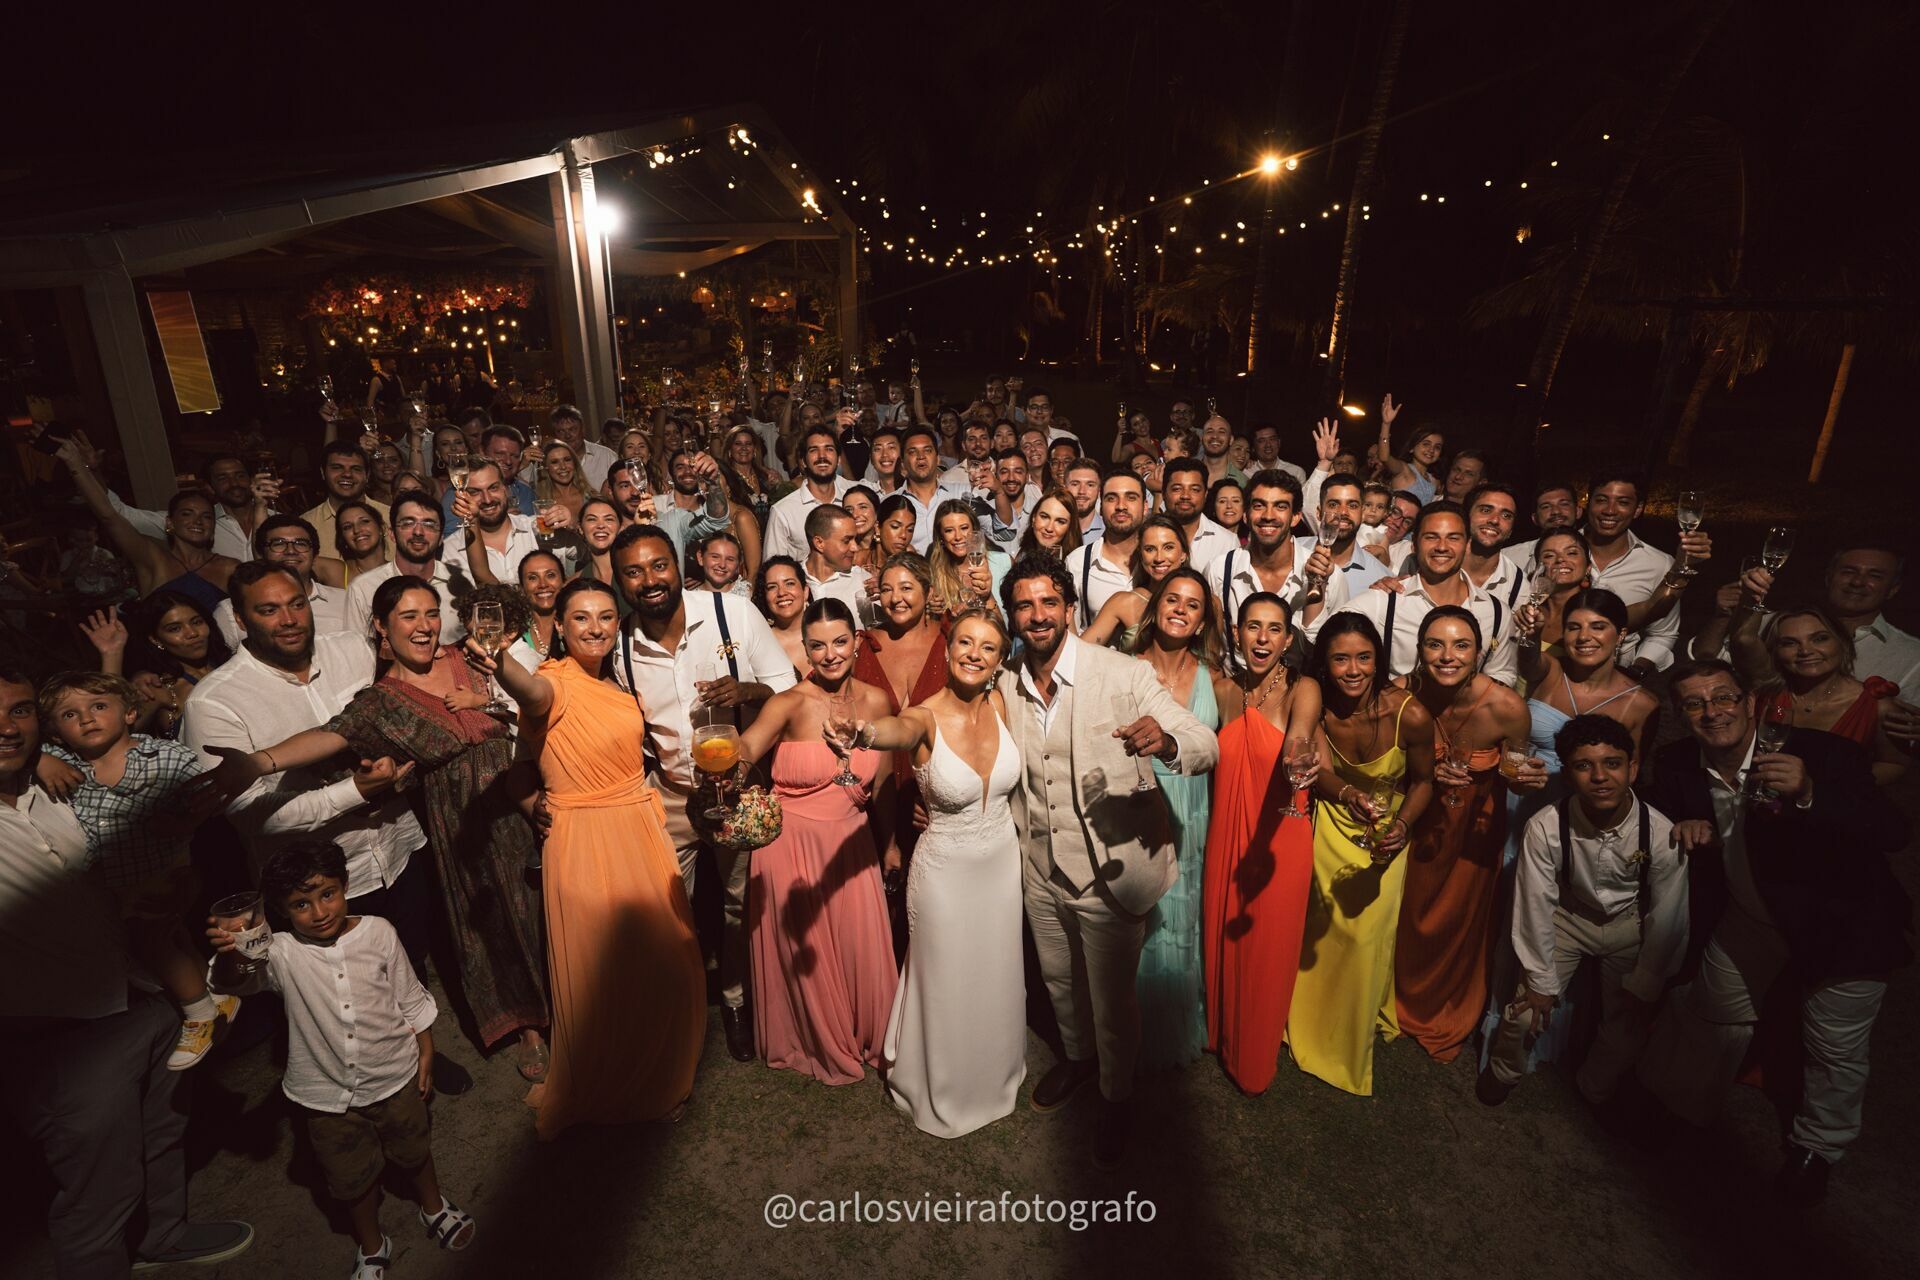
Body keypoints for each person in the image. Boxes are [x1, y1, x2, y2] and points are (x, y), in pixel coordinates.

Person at [202, 576, 552, 1077]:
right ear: (381, 627)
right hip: (466, 829)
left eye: (430, 613)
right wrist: (260, 762)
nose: (424, 626)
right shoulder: (379, 701)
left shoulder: (472, 657)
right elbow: (327, 736)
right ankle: (528, 1028)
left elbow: (531, 698)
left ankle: (569, 1003)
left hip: (524, 798)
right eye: (408, 616)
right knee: (495, 927)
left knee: (548, 906)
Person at [181, 563, 471, 1101]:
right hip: (320, 883)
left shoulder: (353, 651)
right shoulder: (214, 702)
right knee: (340, 996)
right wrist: (355, 793)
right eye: (268, 610)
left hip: (397, 847)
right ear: (240, 620)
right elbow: (251, 814)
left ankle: (419, 1048)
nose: (289, 619)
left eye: (296, 604)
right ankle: (360, 1093)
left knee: (407, 960)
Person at [1, 667, 255, 1277]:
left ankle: (162, 1236)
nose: (6, 729)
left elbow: (128, 872)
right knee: (98, 1194)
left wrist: (182, 887)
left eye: (17, 711)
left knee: (163, 1137)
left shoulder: (58, 789)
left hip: (144, 992)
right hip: (60, 1036)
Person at [1639, 660, 1910, 1204]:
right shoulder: (1674, 764)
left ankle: (1816, 1150)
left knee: (1833, 1048)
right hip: (1752, 916)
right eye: (1695, 704)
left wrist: (1810, 793)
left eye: (1723, 698)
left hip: (1843, 925)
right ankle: (1684, 1112)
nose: (1712, 712)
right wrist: (1684, 826)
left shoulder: (1822, 753)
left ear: (1750, 702)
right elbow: (1667, 816)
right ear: (1681, 715)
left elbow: (1893, 831)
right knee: (1709, 1010)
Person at [1000, 556, 1219, 1167]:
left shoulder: (1122, 674)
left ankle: (1116, 1099)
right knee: (1060, 982)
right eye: (1024, 605)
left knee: (1114, 1001)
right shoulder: (1007, 679)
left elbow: (1204, 742)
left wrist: (1168, 739)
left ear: (1070, 607)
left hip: (1110, 870)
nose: (1038, 616)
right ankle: (1076, 1060)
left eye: (1049, 603)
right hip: (1041, 865)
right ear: (1012, 616)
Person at [476, 579, 706, 1136]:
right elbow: (529, 699)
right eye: (580, 618)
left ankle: (660, 1074)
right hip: (581, 836)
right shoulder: (551, 683)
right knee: (601, 967)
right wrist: (498, 662)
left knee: (663, 959)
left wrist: (530, 798)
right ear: (558, 624)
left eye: (606, 616)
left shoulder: (617, 683)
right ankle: (611, 1082)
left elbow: (522, 771)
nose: (595, 628)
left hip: (637, 827)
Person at [208, 842, 471, 1277]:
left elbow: (409, 996)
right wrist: (231, 952)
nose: (319, 911)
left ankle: (434, 1206)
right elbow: (235, 982)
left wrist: (426, 1050)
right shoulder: (281, 952)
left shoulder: (379, 931)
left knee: (415, 1149)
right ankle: (371, 1244)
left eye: (327, 894)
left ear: (345, 885)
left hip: (394, 1075)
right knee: (351, 1179)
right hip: (325, 1096)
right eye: (301, 904)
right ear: (279, 909)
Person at [829, 610, 1025, 1137]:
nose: (973, 654)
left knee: (996, 967)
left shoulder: (1004, 704)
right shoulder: (923, 716)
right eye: (964, 642)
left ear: (1000, 658)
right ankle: (941, 1082)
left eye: (987, 647)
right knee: (945, 974)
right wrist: (864, 732)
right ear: (948, 647)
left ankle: (994, 1071)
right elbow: (895, 729)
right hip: (944, 871)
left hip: (1002, 864)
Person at [607, 525, 797, 1061]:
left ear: (677, 564)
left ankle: (736, 1000)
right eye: (634, 571)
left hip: (736, 791)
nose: (649, 580)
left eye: (658, 565)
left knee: (740, 908)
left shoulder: (730, 613)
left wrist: (749, 690)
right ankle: (681, 1007)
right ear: (619, 580)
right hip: (668, 796)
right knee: (665, 910)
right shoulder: (620, 642)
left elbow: (789, 687)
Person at [731, 599, 899, 1083]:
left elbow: (883, 783)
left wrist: (888, 845)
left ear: (856, 641)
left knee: (854, 946)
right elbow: (745, 751)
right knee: (807, 959)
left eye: (840, 642)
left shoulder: (877, 702)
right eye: (818, 645)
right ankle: (809, 1038)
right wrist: (722, 758)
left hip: (851, 846)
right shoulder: (788, 703)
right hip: (790, 850)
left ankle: (861, 1031)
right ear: (803, 649)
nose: (830, 654)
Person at [1480, 715, 1687, 1107]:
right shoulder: (1546, 826)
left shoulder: (1660, 833)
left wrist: (1647, 980)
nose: (1600, 777)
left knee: (1627, 1021)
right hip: (1568, 917)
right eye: (1583, 766)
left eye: (1612, 763)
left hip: (1630, 924)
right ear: (1568, 774)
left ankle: (1596, 1087)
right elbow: (1535, 902)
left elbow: (1669, 913)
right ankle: (1503, 1072)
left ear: (1633, 768)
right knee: (1526, 1011)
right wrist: (1541, 981)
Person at [36, 671, 238, 1069]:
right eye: (69, 715)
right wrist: (41, 760)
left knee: (152, 938)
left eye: (98, 707)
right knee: (170, 939)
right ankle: (214, 999)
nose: (87, 718)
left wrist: (184, 822)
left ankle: (198, 1014)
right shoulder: (62, 762)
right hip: (115, 883)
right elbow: (23, 751)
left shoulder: (166, 756)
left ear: (130, 713)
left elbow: (208, 799)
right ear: (56, 735)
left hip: (168, 869)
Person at [1290, 614, 1434, 1095]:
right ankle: (1307, 1019)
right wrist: (1348, 794)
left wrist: (1403, 827)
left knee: (1367, 938)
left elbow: (1425, 782)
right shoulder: (1322, 706)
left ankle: (1347, 1038)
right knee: (1324, 930)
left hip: (1387, 829)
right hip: (1334, 823)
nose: (1353, 669)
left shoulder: (1410, 714)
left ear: (1379, 659)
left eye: (1364, 657)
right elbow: (1324, 773)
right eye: (1341, 658)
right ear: (1325, 664)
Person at [1392, 608, 1529, 1062]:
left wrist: (1523, 776)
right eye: (1435, 644)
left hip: (1474, 829)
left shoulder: (1507, 707)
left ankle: (1439, 1006)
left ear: (1480, 652)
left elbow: (1515, 767)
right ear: (1419, 650)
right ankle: (1392, 996)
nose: (1447, 656)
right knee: (1406, 911)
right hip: (1415, 817)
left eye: (1461, 645)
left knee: (1455, 920)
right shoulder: (1400, 696)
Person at [1201, 592, 1320, 1093]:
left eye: (1274, 629)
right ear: (1237, 633)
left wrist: (1298, 760)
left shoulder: (1303, 687)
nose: (1262, 638)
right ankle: (1222, 1032)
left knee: (1269, 942)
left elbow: (1299, 737)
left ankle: (1253, 1056)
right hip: (1227, 828)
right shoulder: (1224, 691)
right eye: (1253, 627)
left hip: (1280, 833)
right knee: (1224, 930)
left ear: (1288, 639)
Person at [1332, 502, 1519, 686]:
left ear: (1467, 544)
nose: (1442, 547)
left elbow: (1503, 675)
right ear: (1414, 544)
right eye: (1431, 537)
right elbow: (1324, 640)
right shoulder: (1384, 599)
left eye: (1453, 538)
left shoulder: (1496, 612)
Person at [1730, 605, 1905, 785]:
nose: (1805, 651)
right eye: (1789, 643)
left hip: (1834, 809)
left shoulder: (1877, 706)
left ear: (1842, 642)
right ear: (1775, 652)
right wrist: (1752, 597)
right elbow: (1743, 639)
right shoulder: (1768, 689)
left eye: (1820, 639)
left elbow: (1894, 764)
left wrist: (1832, 789)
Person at [55, 438, 240, 609]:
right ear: (170, 522)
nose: (198, 520)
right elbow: (109, 516)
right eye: (187, 514)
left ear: (213, 527)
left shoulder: (229, 567)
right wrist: (75, 464)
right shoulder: (152, 558)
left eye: (207, 516)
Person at [1578, 471, 1710, 676]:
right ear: (1588, 503)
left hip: (1616, 679)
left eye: (1623, 502)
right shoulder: (1555, 553)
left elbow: (1662, 634)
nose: (1610, 510)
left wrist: (1635, 672)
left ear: (1638, 509)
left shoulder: (1659, 564)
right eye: (1602, 500)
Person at [1204, 468, 1343, 642]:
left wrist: (1317, 584)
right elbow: (1211, 645)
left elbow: (1335, 647)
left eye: (1280, 506)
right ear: (1246, 516)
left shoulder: (1331, 577)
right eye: (1259, 506)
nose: (1268, 516)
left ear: (1295, 517)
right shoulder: (1219, 571)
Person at [346, 493, 473, 645]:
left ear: (440, 538)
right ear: (392, 534)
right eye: (407, 523)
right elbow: (355, 652)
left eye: (429, 524)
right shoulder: (364, 588)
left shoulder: (462, 583)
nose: (418, 532)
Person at [211, 516, 351, 645]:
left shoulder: (345, 601)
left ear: (314, 556)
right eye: (278, 543)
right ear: (260, 554)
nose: (290, 550)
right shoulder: (231, 611)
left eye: (300, 543)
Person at [1080, 514, 1188, 648]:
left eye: (1168, 547)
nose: (1159, 558)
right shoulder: (1123, 602)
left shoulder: (1207, 602)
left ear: (1184, 553)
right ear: (1141, 555)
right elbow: (1080, 652)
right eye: (1150, 549)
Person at [1063, 470, 1150, 631]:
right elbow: (1072, 636)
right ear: (1101, 508)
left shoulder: (1161, 561)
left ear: (1145, 507)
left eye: (1131, 498)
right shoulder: (1078, 562)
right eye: (1111, 498)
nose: (1121, 506)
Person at [765, 422, 856, 561]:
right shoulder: (783, 511)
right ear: (803, 462)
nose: (822, 456)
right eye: (813, 450)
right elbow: (772, 568)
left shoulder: (854, 501)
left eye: (829, 449)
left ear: (838, 459)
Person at [302, 443, 392, 557]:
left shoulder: (390, 517)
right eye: (337, 468)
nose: (347, 474)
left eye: (356, 469)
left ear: (367, 475)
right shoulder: (306, 525)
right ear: (322, 472)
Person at [926, 500, 1008, 620]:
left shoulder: (1003, 563)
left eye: (964, 528)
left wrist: (987, 597)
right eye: (949, 530)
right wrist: (932, 612)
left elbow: (1011, 628)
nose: (958, 537)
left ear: (975, 531)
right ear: (941, 537)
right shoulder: (933, 575)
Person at [438, 426, 534, 526]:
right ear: (482, 452)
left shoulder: (526, 492)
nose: (508, 461)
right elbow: (451, 539)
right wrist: (496, 523)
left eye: (515, 456)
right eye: (500, 454)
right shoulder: (457, 498)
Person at [1157, 458, 1237, 573]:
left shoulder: (1227, 542)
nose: (1185, 496)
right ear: (1164, 493)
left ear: (1205, 495)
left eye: (1194, 489)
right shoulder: (1145, 536)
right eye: (1177, 489)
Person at [899, 424, 966, 555]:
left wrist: (998, 492)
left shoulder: (962, 494)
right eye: (912, 452)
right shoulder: (891, 503)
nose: (921, 456)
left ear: (938, 459)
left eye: (927, 450)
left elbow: (1003, 530)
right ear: (902, 463)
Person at [801, 503, 871, 623]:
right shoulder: (793, 580)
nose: (855, 548)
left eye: (855, 539)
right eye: (846, 540)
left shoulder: (864, 582)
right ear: (819, 543)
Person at [1374, 395, 1441, 506]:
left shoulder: (1433, 481)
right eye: (1426, 444)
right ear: (1411, 448)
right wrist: (1386, 424)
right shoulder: (1403, 470)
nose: (1431, 450)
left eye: (1437, 447)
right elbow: (1384, 457)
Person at [313, 499, 391, 590]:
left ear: (382, 528)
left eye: (364, 521)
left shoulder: (399, 570)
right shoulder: (337, 572)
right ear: (343, 538)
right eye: (347, 527)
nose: (357, 530)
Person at [756, 556, 811, 677]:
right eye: (772, 587)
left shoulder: (827, 634)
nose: (781, 593)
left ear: (805, 591)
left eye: (789, 583)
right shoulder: (759, 643)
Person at [536, 441, 593, 528]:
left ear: (575, 463)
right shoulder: (542, 503)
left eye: (567, 460)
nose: (563, 467)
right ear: (546, 467)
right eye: (555, 462)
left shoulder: (591, 496)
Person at [1015, 490, 1083, 561]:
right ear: (1034, 518)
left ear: (1070, 527)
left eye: (1060, 522)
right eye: (1044, 517)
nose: (1049, 528)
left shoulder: (1077, 565)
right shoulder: (1020, 559)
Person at [1063, 457, 1106, 544]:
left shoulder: (1110, 532)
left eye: (1090, 485)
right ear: (1064, 488)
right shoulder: (1052, 529)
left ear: (1099, 491)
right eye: (1075, 484)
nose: (1082, 491)